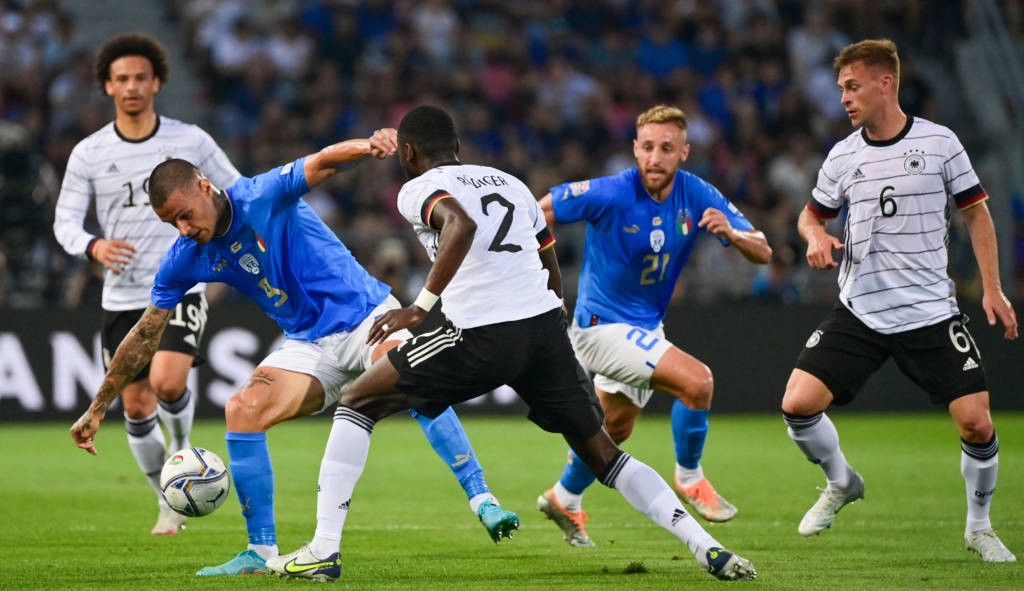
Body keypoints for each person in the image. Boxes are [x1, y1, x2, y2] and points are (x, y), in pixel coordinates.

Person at [267, 105, 757, 582]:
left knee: (357, 400)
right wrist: (554, 306)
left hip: (477, 332)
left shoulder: (416, 188)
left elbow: (460, 224)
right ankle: (706, 546)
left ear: (409, 153)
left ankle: (323, 550)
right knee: (604, 454)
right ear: (457, 146)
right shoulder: (510, 182)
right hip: (543, 330)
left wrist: (419, 307)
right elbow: (547, 252)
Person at [69, 129, 519, 576]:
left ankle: (483, 499)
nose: (184, 229)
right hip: (308, 344)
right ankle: (260, 550)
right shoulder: (186, 255)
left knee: (412, 377)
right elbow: (145, 334)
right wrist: (98, 405)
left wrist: (369, 146)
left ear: (204, 187)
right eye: (172, 224)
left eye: (184, 215)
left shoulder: (259, 196)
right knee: (242, 410)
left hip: (367, 318)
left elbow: (322, 161)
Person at [781, 39, 1018, 562]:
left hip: (929, 312)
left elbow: (975, 212)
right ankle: (842, 481)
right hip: (860, 309)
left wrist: (992, 287)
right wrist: (815, 236)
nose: (844, 98)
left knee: (977, 423)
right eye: (841, 88)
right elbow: (810, 215)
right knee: (797, 405)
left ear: (885, 82)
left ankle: (979, 527)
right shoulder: (843, 155)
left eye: (852, 86)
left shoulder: (940, 143)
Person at [533, 105, 772, 547]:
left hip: (645, 327)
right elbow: (538, 212)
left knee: (614, 428)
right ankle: (690, 477)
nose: (655, 157)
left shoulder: (696, 192)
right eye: (647, 147)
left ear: (684, 152)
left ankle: (563, 498)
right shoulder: (610, 192)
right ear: (635, 149)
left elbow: (764, 250)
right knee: (698, 382)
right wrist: (540, 275)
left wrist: (734, 235)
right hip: (599, 327)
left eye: (666, 148)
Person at [53, 33, 242, 536]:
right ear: (107, 86)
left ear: (157, 82)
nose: (132, 86)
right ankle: (167, 497)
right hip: (120, 294)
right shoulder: (89, 153)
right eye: (122, 79)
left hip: (180, 285)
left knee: (168, 383)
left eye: (141, 77)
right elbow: (64, 221)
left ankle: (182, 454)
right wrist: (94, 246)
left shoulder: (191, 141)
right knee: (136, 406)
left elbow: (234, 191)